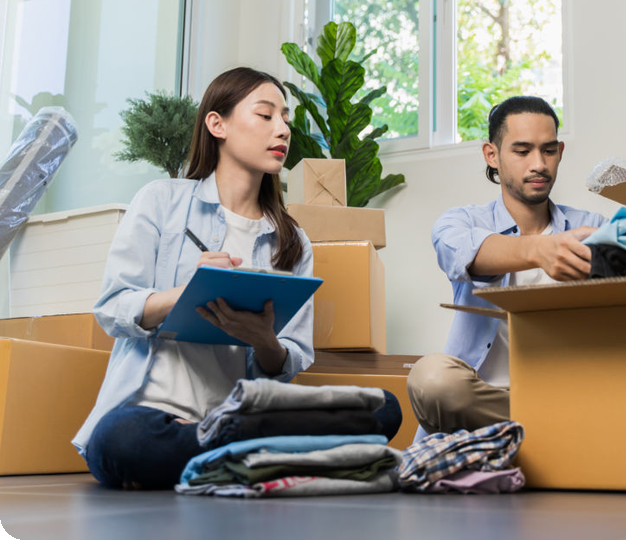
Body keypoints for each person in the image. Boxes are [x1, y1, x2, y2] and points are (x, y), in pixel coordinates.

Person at [73, 67, 399, 489]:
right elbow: (113, 308)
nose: (282, 129)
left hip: (238, 411)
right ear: (217, 124)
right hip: (151, 415)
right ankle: (254, 452)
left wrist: (264, 340)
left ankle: (229, 447)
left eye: (285, 119)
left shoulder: (293, 241)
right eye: (265, 115)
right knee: (121, 441)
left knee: (382, 408)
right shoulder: (161, 201)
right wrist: (184, 293)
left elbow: (288, 362)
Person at [407, 96, 606, 437]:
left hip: (567, 396)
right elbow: (466, 254)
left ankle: (547, 428)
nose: (538, 164)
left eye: (548, 150)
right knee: (432, 378)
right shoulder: (461, 222)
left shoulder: (591, 226)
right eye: (522, 151)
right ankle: (537, 430)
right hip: (484, 407)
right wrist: (542, 249)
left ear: (560, 152)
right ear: (492, 155)